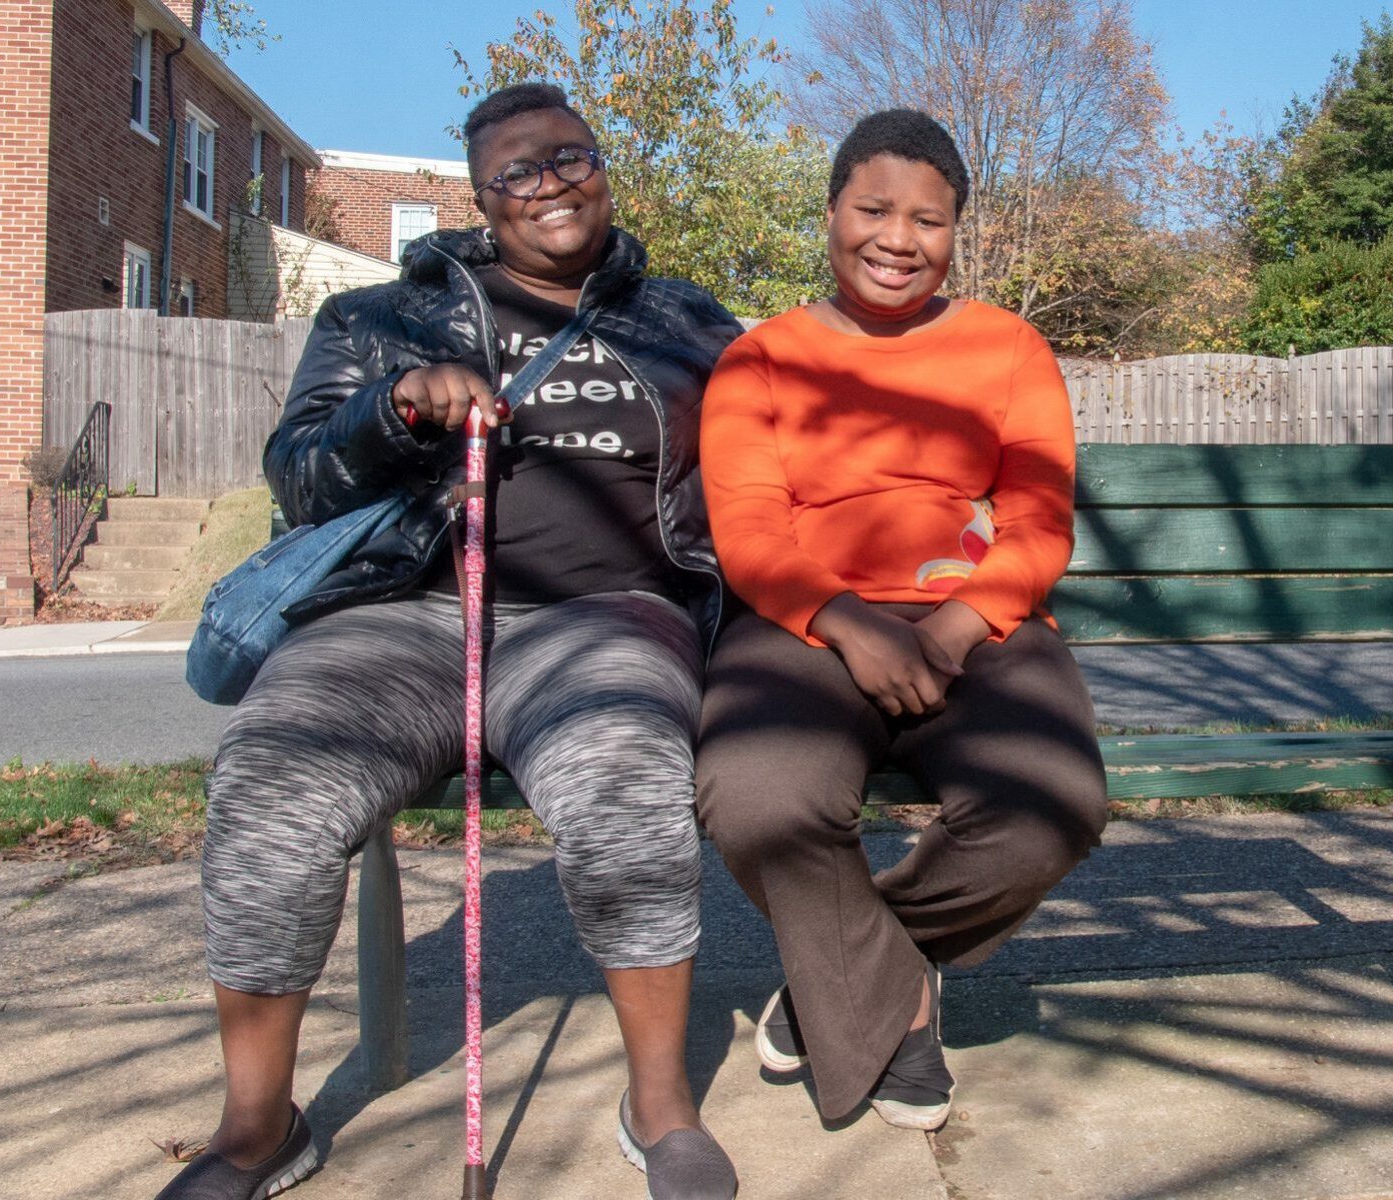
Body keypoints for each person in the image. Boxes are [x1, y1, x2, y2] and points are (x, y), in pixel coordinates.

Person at [160, 83, 741, 1200]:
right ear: (482, 203)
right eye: (516, 173)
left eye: (568, 157)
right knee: (274, 784)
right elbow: (298, 477)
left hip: (605, 614)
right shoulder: (380, 318)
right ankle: (255, 1123)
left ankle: (658, 1101)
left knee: (623, 781)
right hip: (404, 613)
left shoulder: (683, 322)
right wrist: (394, 409)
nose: (549, 185)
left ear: (602, 166)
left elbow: (770, 459)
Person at [695, 109, 1110, 1131]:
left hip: (971, 623)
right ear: (830, 211)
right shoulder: (759, 360)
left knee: (1048, 805)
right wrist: (845, 622)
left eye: (927, 219)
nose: (896, 238)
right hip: (803, 628)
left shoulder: (1006, 348)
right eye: (872, 209)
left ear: (955, 232)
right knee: (756, 797)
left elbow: (1039, 523)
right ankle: (893, 1009)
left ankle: (841, 979)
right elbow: (747, 532)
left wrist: (956, 630)